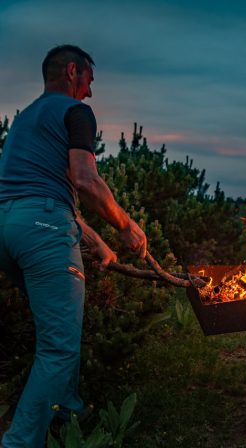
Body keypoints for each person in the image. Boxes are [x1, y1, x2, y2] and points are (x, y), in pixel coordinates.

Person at [0, 45, 147, 447]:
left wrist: (97, 243)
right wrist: (126, 226)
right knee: (59, 347)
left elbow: (44, 196)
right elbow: (84, 179)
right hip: (43, 229)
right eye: (89, 82)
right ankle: (18, 443)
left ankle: (68, 412)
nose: (90, 93)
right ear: (71, 72)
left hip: (8, 228)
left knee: (57, 330)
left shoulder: (27, 118)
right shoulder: (74, 112)